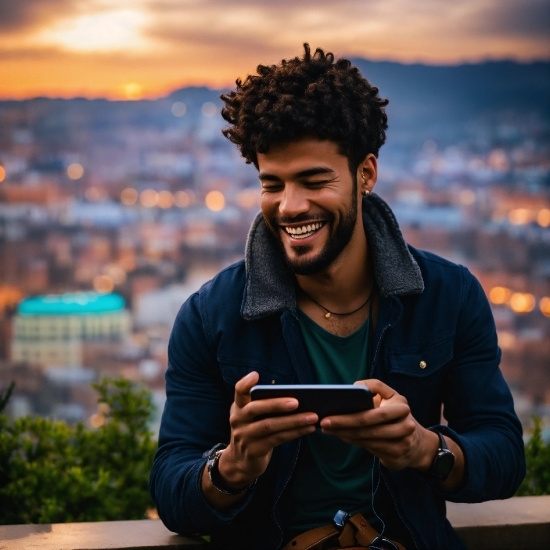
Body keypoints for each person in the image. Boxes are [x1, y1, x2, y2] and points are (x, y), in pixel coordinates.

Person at [149, 45, 525, 549]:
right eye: (272, 184)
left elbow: (503, 454)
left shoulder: (449, 296)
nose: (290, 206)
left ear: (365, 174)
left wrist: (424, 448)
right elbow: (170, 489)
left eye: (313, 180)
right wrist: (233, 466)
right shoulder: (210, 314)